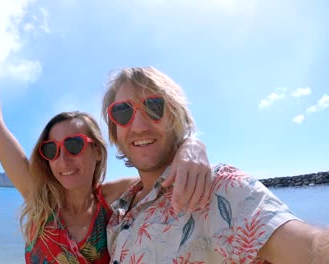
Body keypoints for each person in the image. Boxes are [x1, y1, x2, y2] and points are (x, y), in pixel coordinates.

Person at [0, 19, 213, 263]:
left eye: (74, 145)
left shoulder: (115, 199)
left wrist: (191, 145)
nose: (62, 159)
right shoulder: (41, 200)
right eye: (51, 150)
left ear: (97, 151)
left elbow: (158, 166)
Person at [102, 66, 329, 263]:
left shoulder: (219, 187)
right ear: (115, 131)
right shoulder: (121, 210)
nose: (139, 126)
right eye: (123, 112)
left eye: (154, 107)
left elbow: (310, 248)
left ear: (176, 116)